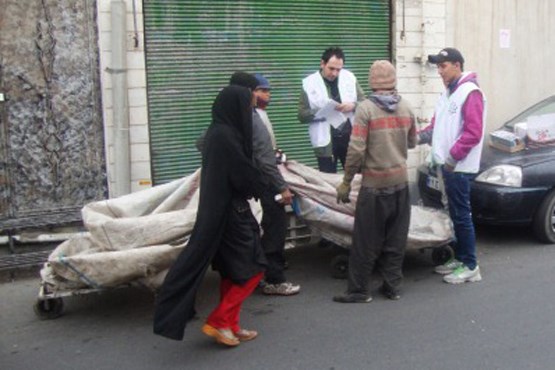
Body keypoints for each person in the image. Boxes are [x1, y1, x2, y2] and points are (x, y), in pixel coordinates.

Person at [153, 85, 267, 347]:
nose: (249, 113)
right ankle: (219, 321)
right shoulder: (227, 137)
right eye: (247, 107)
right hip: (234, 215)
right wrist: (263, 183)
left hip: (221, 213)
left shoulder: (216, 133)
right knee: (254, 269)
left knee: (233, 271)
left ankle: (231, 326)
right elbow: (241, 177)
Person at [333, 60, 416, 303]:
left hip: (374, 187)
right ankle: (393, 287)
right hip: (401, 184)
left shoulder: (366, 109)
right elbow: (412, 142)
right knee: (395, 238)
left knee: (365, 241)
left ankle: (359, 290)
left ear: (371, 81)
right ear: (394, 81)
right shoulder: (407, 107)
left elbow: (356, 148)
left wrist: (346, 181)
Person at [419, 47, 486, 284]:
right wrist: (416, 137)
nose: (439, 71)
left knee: (461, 215)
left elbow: (473, 133)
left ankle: (471, 266)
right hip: (445, 166)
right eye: (437, 66)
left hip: (458, 168)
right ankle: (460, 257)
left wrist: (451, 158)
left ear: (457, 65)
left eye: (443, 66)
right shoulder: (447, 93)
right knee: (453, 214)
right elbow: (435, 127)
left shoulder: (470, 92)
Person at [252, 73, 301, 296]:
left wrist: (277, 154)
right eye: (262, 90)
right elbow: (264, 159)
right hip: (266, 182)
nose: (267, 94)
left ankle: (261, 273)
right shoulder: (254, 119)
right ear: (251, 93)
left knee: (265, 229)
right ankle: (274, 279)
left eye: (268, 90)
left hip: (261, 179)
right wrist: (282, 187)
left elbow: (266, 151)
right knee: (275, 228)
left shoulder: (259, 115)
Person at [297, 47, 365, 173]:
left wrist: (353, 105)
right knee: (328, 182)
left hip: (350, 139)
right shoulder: (309, 83)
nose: (334, 73)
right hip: (325, 143)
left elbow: (365, 103)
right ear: (322, 63)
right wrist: (322, 111)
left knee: (356, 179)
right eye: (331, 68)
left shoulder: (349, 77)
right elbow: (301, 115)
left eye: (338, 69)